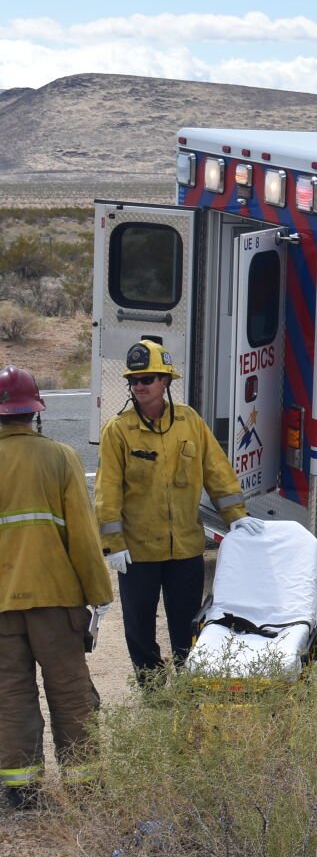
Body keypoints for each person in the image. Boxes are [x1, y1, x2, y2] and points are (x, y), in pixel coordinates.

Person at [94, 340, 263, 685]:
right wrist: (113, 544)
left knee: (188, 623)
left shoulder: (189, 422)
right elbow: (107, 490)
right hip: (137, 552)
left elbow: (218, 472)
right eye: (134, 380)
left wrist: (237, 517)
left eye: (148, 378)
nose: (140, 386)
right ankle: (154, 690)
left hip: (185, 548)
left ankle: (189, 686)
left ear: (166, 382)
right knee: (139, 625)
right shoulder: (118, 430)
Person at [0, 365, 111, 810]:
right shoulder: (60, 458)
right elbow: (83, 537)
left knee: (11, 694)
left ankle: (21, 790)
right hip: (57, 602)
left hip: (3, 606)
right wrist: (98, 595)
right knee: (70, 693)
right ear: (35, 413)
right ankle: (84, 787)